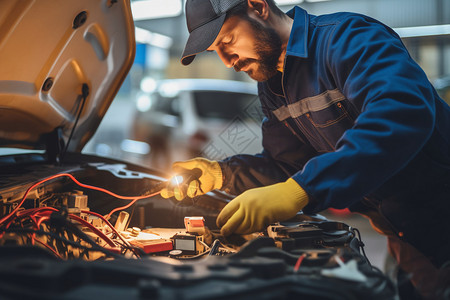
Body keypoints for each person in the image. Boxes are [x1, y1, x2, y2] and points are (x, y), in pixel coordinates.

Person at [161, 0, 450, 298]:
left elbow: (401, 115)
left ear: (258, 7)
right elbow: (288, 167)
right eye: (215, 51)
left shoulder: (349, 38)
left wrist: (302, 188)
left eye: (227, 40)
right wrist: (222, 174)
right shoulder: (274, 86)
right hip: (403, 237)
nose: (226, 60)